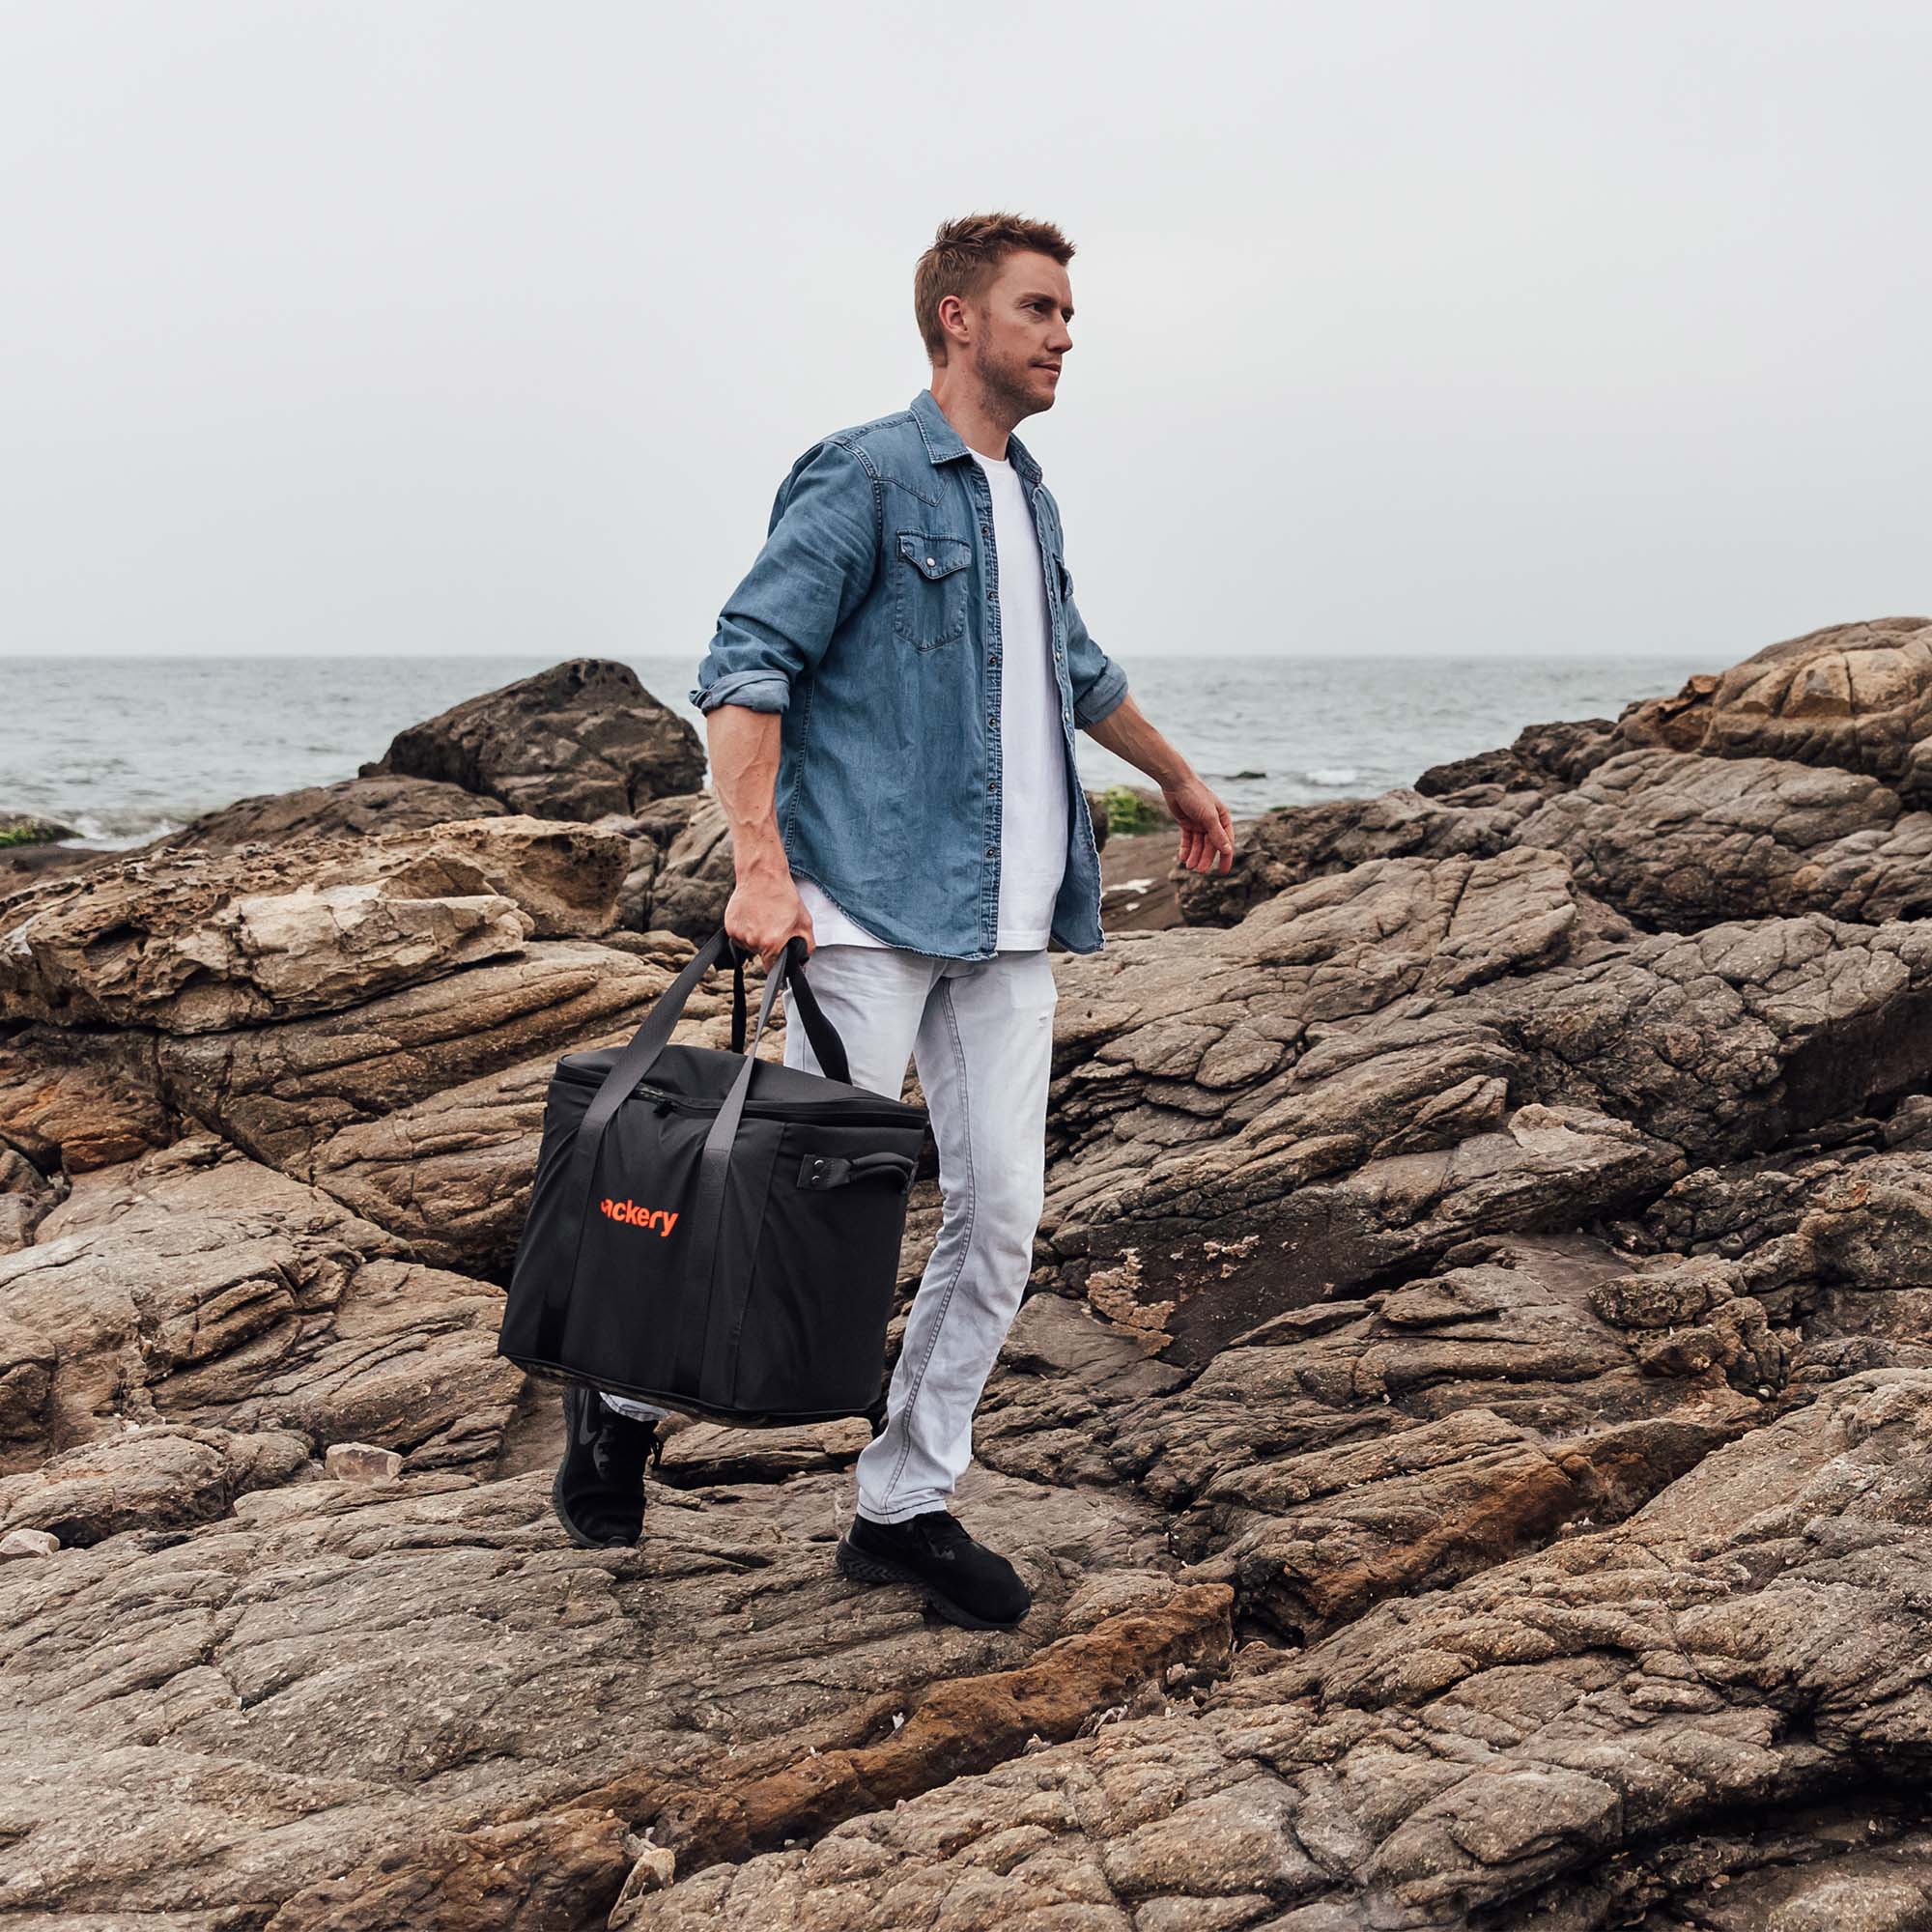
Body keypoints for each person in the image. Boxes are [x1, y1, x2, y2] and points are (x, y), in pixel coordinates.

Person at [552, 212, 1234, 1629]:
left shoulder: (1028, 497)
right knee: (771, 1220)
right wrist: (759, 866)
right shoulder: (862, 476)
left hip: (1011, 930)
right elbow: (745, 668)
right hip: (861, 914)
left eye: (1067, 315)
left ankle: (904, 1506)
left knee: (1001, 1225)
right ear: (958, 321)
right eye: (1039, 310)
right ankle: (615, 1403)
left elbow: (1077, 670)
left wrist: (1179, 781)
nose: (1063, 336)